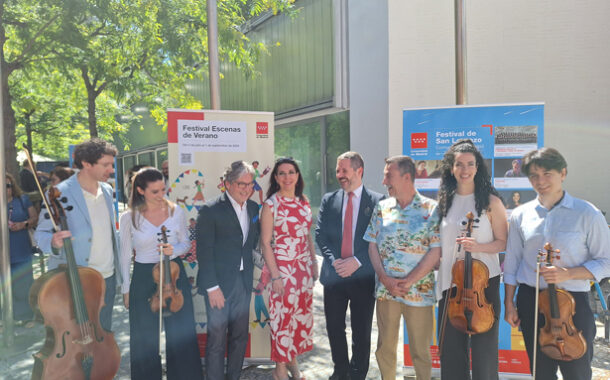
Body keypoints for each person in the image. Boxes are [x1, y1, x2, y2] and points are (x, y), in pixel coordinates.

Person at [503, 147, 610, 380]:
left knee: (577, 371)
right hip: (531, 300)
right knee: (540, 372)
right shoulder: (521, 215)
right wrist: (509, 303)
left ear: (563, 173)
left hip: (573, 303)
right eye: (534, 176)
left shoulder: (587, 213)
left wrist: (568, 274)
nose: (540, 181)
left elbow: (606, 262)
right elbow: (512, 262)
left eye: (547, 174)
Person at [119, 167, 202, 379]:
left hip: (173, 274)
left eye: (163, 189)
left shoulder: (176, 211)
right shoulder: (130, 217)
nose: (161, 195)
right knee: (144, 336)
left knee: (180, 333)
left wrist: (174, 249)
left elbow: (185, 243)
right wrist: (126, 289)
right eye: (154, 191)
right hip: (144, 274)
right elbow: (124, 254)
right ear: (140, 190)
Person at [364, 155, 441, 380]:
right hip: (386, 291)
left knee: (420, 351)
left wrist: (408, 281)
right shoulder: (382, 208)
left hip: (419, 292)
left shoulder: (431, 208)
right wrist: (386, 279)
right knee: (385, 349)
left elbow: (435, 251)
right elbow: (372, 246)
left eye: (389, 175)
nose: (384, 180)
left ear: (407, 177)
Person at [435, 140, 507, 380]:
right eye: (459, 164)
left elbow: (503, 242)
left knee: (484, 356)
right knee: (451, 354)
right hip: (451, 285)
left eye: (470, 164)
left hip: (483, 287)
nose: (464, 170)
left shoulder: (491, 202)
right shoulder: (445, 200)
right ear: (451, 168)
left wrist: (479, 247)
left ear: (477, 168)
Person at [35, 138, 123, 331]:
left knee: (103, 335)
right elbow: (40, 234)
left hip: (107, 277)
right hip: (76, 278)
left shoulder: (107, 190)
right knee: (76, 337)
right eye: (106, 164)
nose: (112, 169)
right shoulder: (58, 192)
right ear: (86, 164)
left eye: (112, 164)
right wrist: (52, 241)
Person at [315, 151, 384, 380]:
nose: (340, 175)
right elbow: (321, 236)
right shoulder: (329, 199)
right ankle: (340, 371)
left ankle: (357, 374)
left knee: (361, 331)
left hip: (363, 277)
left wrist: (357, 261)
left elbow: (381, 238)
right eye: (338, 170)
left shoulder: (378, 201)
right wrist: (335, 261)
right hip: (334, 276)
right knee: (334, 328)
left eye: (344, 170)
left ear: (359, 171)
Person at [196, 161, 260, 380]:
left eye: (250, 184)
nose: (247, 188)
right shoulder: (210, 210)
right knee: (216, 340)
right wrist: (212, 287)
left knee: (240, 337)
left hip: (243, 282)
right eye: (242, 184)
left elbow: (253, 243)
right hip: (218, 286)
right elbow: (204, 252)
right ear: (228, 184)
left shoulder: (253, 208)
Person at [260, 157, 318, 380]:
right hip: (282, 272)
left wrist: (313, 264)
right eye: (282, 173)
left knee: (295, 321)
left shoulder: (303, 201)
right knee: (282, 321)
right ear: (275, 178)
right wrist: (275, 277)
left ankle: (293, 367)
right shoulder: (271, 204)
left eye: (291, 172)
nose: (287, 177)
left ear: (297, 175)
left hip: (302, 272)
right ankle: (280, 371)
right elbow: (266, 243)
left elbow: (307, 236)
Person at [6, 173, 38, 327]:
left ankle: (26, 316)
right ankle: (3, 319)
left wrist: (23, 224)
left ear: (13, 187)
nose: (5, 189)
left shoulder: (22, 200)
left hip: (21, 249)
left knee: (23, 284)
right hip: (3, 253)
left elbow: (34, 218)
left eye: (8, 186)